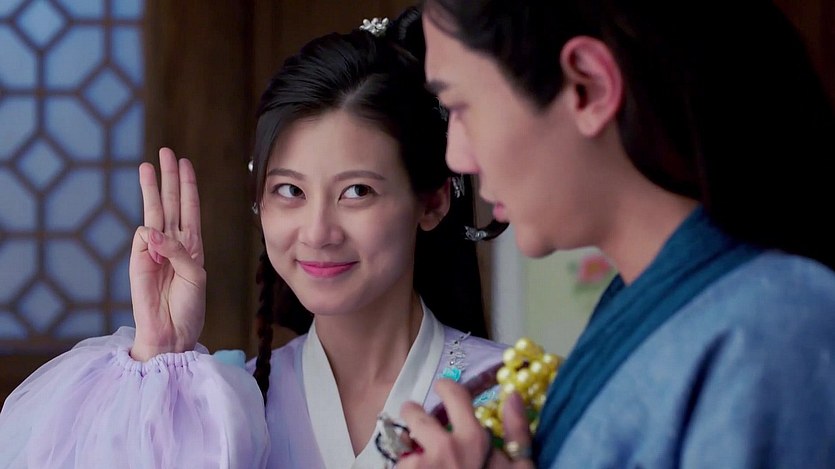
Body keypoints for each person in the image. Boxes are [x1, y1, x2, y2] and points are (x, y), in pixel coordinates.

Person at [0, 8, 505, 468]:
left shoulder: (511, 392)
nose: (318, 232)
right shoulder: (224, 408)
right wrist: (159, 359)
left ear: (432, 202)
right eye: (290, 190)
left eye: (356, 191)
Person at [395, 1, 835, 468]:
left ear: (589, 87)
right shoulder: (651, 298)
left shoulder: (774, 328)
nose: (457, 156)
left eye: (460, 107)